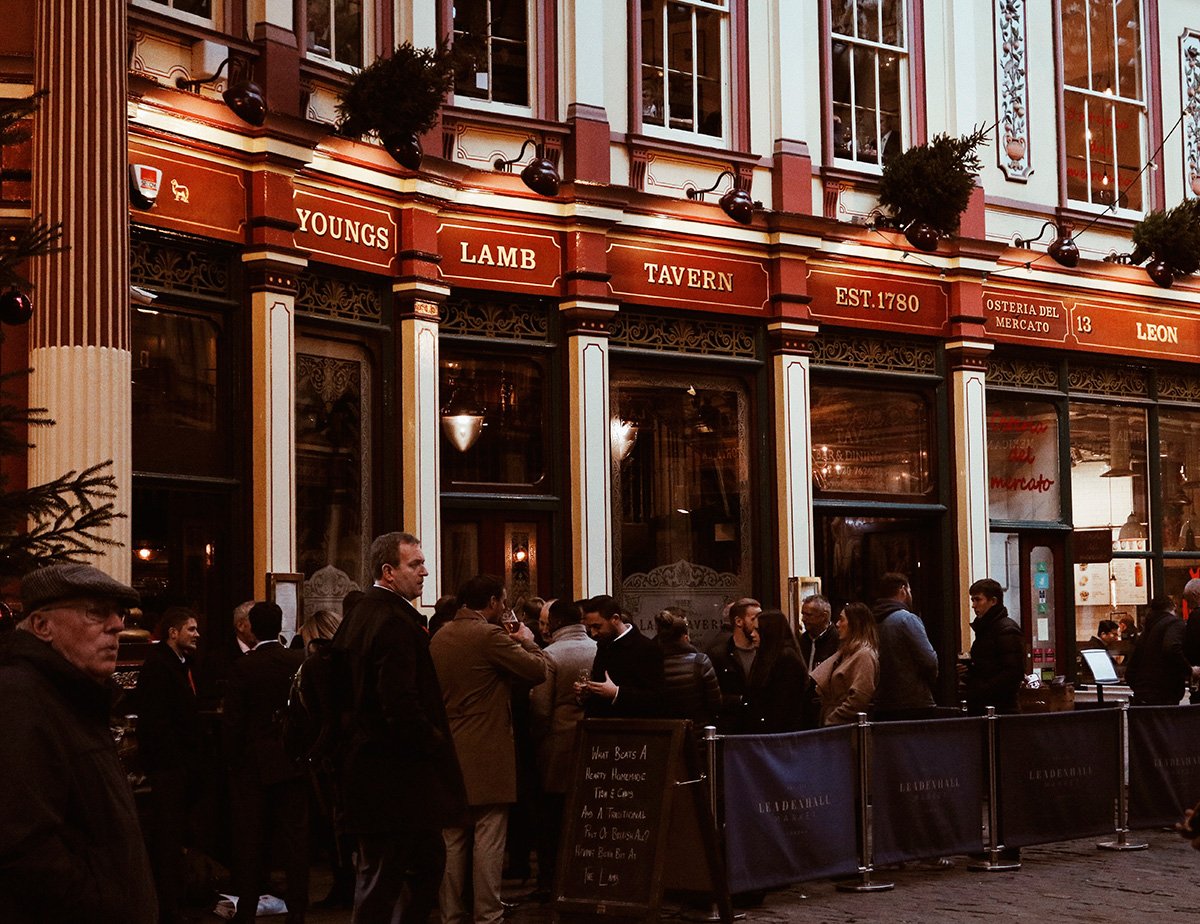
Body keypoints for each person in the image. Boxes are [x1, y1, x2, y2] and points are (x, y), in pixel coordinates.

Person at [0, 563, 156, 923]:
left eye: (119, 613)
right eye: (96, 612)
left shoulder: (77, 698)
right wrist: (106, 905)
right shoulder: (18, 698)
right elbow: (23, 846)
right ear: (42, 626)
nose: (117, 625)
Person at [332, 531, 467, 924]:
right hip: (394, 778)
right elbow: (398, 704)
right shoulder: (391, 622)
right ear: (388, 572)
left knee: (416, 865)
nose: (425, 572)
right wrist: (433, 742)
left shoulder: (362, 615)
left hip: (371, 773)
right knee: (390, 876)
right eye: (416, 564)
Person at [430, 574, 546, 924]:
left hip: (449, 748)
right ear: (494, 601)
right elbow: (538, 670)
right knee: (489, 837)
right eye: (503, 601)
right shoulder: (489, 635)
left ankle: (451, 913)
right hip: (486, 750)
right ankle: (488, 913)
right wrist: (529, 640)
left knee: (452, 839)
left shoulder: (441, 635)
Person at [224, 601, 308, 924]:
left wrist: (232, 760)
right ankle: (297, 909)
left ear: (252, 629)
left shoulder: (245, 667)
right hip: (291, 760)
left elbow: (234, 722)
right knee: (295, 841)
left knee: (250, 840)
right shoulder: (297, 661)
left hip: (253, 765)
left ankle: (247, 909)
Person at [136, 605, 203, 924]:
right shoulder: (159, 666)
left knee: (177, 834)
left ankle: (177, 898)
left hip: (182, 764)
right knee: (167, 835)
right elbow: (156, 721)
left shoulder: (183, 663)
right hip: (168, 766)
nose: (197, 634)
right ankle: (167, 906)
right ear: (173, 633)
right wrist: (174, 760)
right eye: (191, 629)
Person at [529, 597, 595, 898]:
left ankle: (550, 880)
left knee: (552, 816)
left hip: (558, 744)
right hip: (594, 743)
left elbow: (542, 708)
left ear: (555, 623)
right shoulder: (597, 649)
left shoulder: (551, 655)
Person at [578, 594, 665, 718]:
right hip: (601, 730)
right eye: (590, 627)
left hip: (632, 730)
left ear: (615, 619)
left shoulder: (646, 648)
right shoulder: (603, 646)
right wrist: (588, 693)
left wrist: (617, 693)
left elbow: (657, 699)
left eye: (597, 626)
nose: (593, 633)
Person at [871, 573, 938, 720]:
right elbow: (929, 660)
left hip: (882, 703)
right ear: (903, 590)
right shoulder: (907, 619)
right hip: (914, 703)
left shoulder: (872, 622)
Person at [741, 609, 812, 732]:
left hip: (779, 735)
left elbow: (784, 706)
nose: (752, 634)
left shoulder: (786, 658)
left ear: (769, 631)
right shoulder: (766, 655)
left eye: (757, 630)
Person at [960, 578, 1024, 715]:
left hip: (1001, 708)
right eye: (972, 600)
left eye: (978, 600)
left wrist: (981, 689)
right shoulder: (986, 629)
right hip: (988, 704)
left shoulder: (1005, 629)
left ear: (993, 601)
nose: (974, 605)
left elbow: (1013, 672)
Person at [811, 602, 879, 725]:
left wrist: (832, 720)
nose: (837, 624)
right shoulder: (846, 653)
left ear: (855, 624)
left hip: (845, 727)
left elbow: (859, 698)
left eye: (842, 620)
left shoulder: (864, 655)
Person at [655, 607, 722, 729]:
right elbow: (715, 703)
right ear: (685, 636)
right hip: (697, 730)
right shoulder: (700, 662)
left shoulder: (653, 663)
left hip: (667, 731)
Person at [1125, 595, 1197, 706]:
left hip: (1142, 695)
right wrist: (1190, 670)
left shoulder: (1146, 631)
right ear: (1173, 607)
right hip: (1165, 693)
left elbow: (1131, 668)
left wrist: (1141, 688)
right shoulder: (1174, 623)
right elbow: (1171, 648)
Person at [707, 597, 761, 732]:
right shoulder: (719, 654)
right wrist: (740, 700)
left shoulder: (764, 653)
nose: (759, 623)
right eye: (754, 618)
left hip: (760, 730)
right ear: (738, 621)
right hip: (731, 729)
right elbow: (711, 697)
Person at [799, 594, 839, 673]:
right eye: (803, 614)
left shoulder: (838, 641)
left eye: (808, 615)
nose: (803, 619)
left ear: (824, 616)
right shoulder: (802, 640)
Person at [1184, 579, 1200, 704]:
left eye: (1187, 599)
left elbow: (1191, 647)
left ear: (1195, 595)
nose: (1187, 604)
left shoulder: (1196, 617)